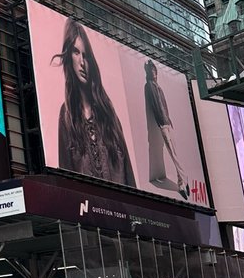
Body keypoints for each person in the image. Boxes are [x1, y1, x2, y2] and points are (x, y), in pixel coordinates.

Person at [53, 17, 135, 187]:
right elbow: (65, 178)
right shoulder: (67, 116)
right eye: (76, 52)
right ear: (69, 57)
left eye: (86, 55)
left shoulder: (107, 110)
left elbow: (127, 171)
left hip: (120, 210)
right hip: (87, 210)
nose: (82, 62)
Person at [144, 60, 188, 197]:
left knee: (175, 152)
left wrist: (169, 120)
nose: (154, 73)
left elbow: (164, 106)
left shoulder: (159, 87)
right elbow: (155, 106)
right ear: (148, 73)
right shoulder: (149, 86)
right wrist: (161, 122)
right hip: (162, 124)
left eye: (154, 70)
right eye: (151, 71)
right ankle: (184, 179)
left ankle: (182, 182)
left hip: (168, 122)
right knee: (173, 154)